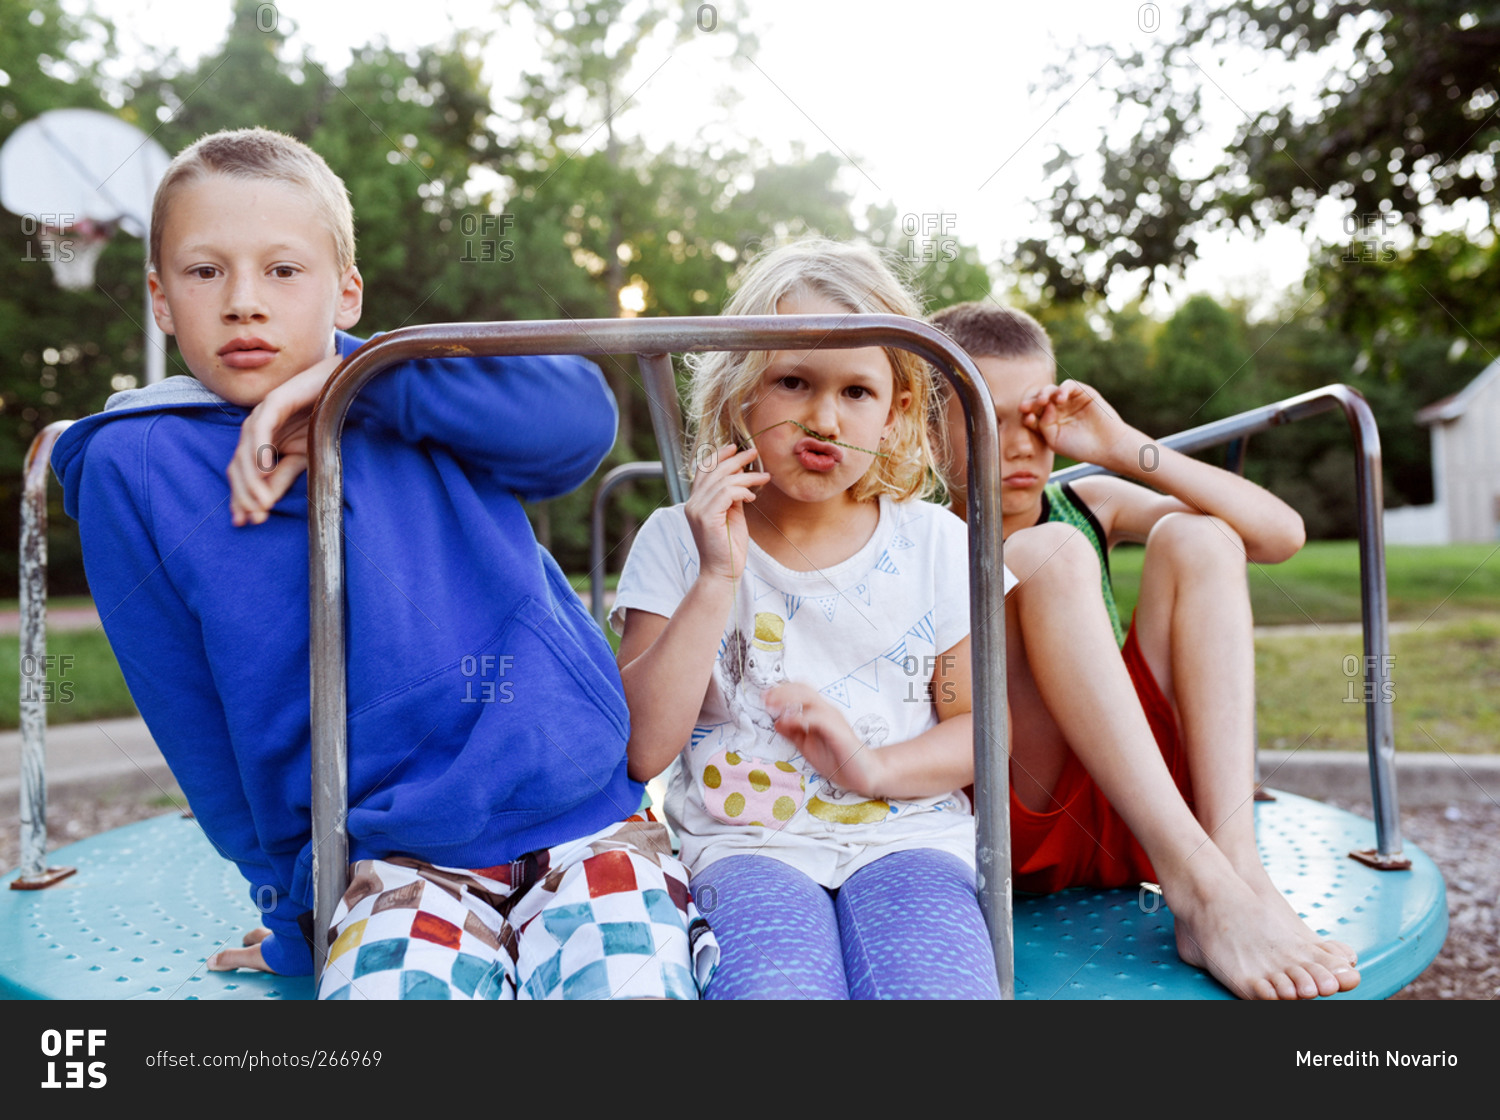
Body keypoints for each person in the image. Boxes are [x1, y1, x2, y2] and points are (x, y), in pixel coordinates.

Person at [52, 127, 716, 1000]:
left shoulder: (416, 391)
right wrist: (296, 910)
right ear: (159, 298)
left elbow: (579, 423)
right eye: (205, 271)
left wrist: (360, 383)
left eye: (283, 271)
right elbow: (198, 727)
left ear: (346, 291)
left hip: (583, 821)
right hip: (390, 862)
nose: (244, 302)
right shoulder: (131, 466)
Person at [928, 301, 1361, 1000]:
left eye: (1034, 417)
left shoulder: (1089, 499)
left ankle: (1233, 867)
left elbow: (1278, 535)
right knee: (1049, 555)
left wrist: (1124, 446)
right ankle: (1201, 889)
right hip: (1018, 818)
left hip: (1135, 810)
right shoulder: (911, 525)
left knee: (1203, 537)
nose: (1021, 446)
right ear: (924, 425)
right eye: (988, 418)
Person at [611, 239, 1006, 999]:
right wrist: (718, 576)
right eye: (793, 382)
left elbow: (977, 732)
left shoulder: (935, 544)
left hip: (910, 837)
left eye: (856, 392)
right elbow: (640, 749)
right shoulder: (677, 539)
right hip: (742, 846)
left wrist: (872, 768)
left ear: (895, 414)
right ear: (739, 396)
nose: (824, 419)